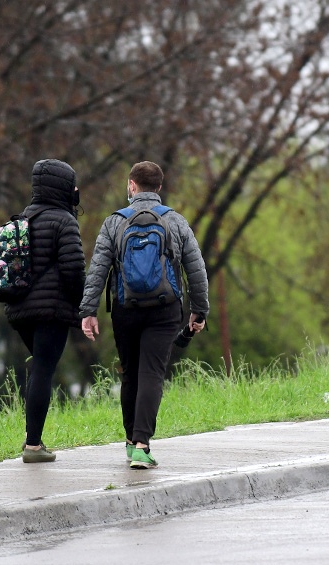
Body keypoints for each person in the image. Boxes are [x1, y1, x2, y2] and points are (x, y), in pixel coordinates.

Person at [80, 161, 209, 469]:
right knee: (152, 372)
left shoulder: (114, 223)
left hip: (126, 309)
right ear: (159, 189)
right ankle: (141, 445)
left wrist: (88, 310)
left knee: (130, 373)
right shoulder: (175, 221)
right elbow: (196, 267)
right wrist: (199, 310)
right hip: (165, 310)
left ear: (132, 186)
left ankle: (129, 442)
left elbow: (97, 268)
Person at [6, 158, 85, 463]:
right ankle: (33, 446)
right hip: (51, 311)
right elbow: (74, 269)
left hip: (19, 310)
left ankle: (32, 440)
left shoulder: (21, 219)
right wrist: (81, 305)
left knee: (38, 366)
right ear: (64, 187)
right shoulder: (64, 221)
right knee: (43, 370)